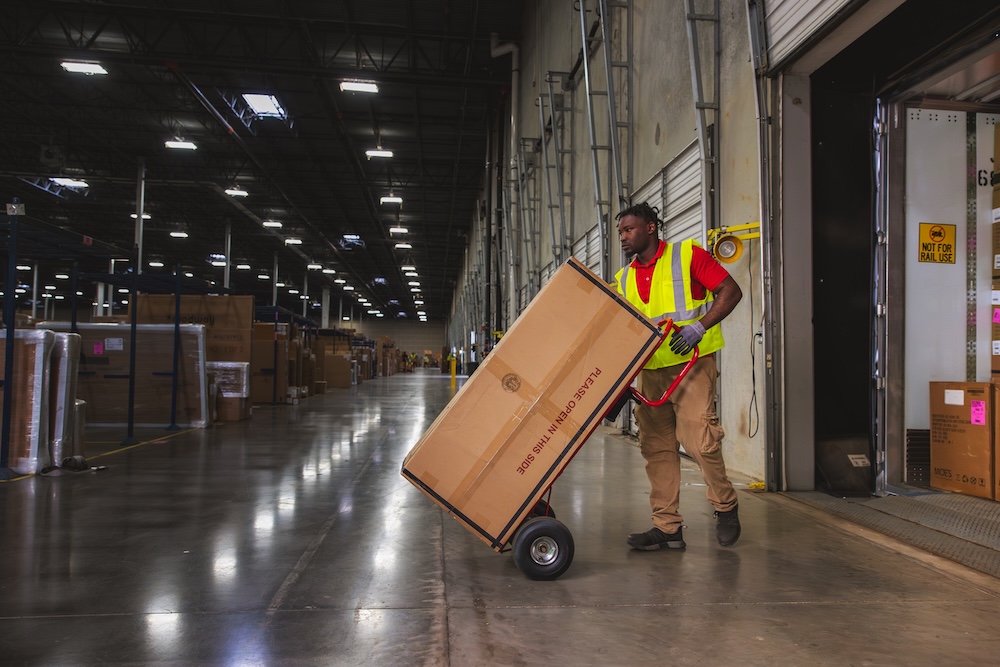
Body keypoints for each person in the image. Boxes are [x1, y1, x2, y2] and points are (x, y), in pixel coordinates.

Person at [612, 201, 743, 551]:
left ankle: (726, 506)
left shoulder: (688, 255)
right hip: (650, 373)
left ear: (650, 227)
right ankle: (667, 527)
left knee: (699, 438)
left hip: (692, 365)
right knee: (656, 448)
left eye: (629, 230)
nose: (623, 237)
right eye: (620, 232)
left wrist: (700, 326)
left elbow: (731, 291)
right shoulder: (623, 279)